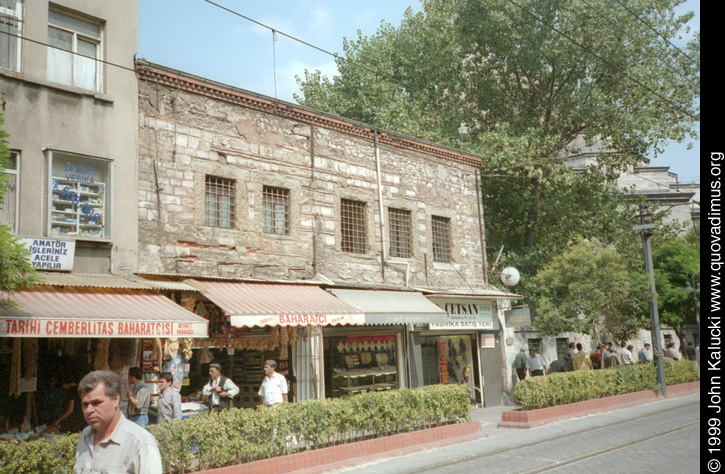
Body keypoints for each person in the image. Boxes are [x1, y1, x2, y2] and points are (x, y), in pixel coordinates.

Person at [73, 370, 162, 474]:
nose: (89, 410)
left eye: (96, 403)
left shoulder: (140, 443)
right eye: (85, 404)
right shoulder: (85, 436)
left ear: (115, 400)